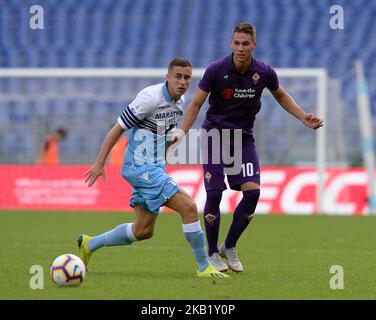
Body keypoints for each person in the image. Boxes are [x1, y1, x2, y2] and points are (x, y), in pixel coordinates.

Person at [168, 23, 323, 273]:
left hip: (243, 139)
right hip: (214, 137)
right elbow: (196, 104)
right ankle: (211, 253)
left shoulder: (263, 72)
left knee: (252, 193)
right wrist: (182, 132)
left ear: (253, 45)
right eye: (236, 43)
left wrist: (303, 116)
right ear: (231, 44)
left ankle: (228, 246)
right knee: (215, 193)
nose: (240, 48)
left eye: (245, 44)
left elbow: (281, 95)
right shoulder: (216, 70)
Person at [78, 57, 229, 278]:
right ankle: (204, 266)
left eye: (187, 77)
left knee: (143, 231)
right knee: (188, 207)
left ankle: (89, 245)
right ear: (167, 76)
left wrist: (165, 153)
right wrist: (100, 162)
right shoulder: (149, 98)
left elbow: (162, 134)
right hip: (140, 167)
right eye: (177, 76)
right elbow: (117, 129)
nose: (182, 81)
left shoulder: (180, 101)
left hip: (154, 167)